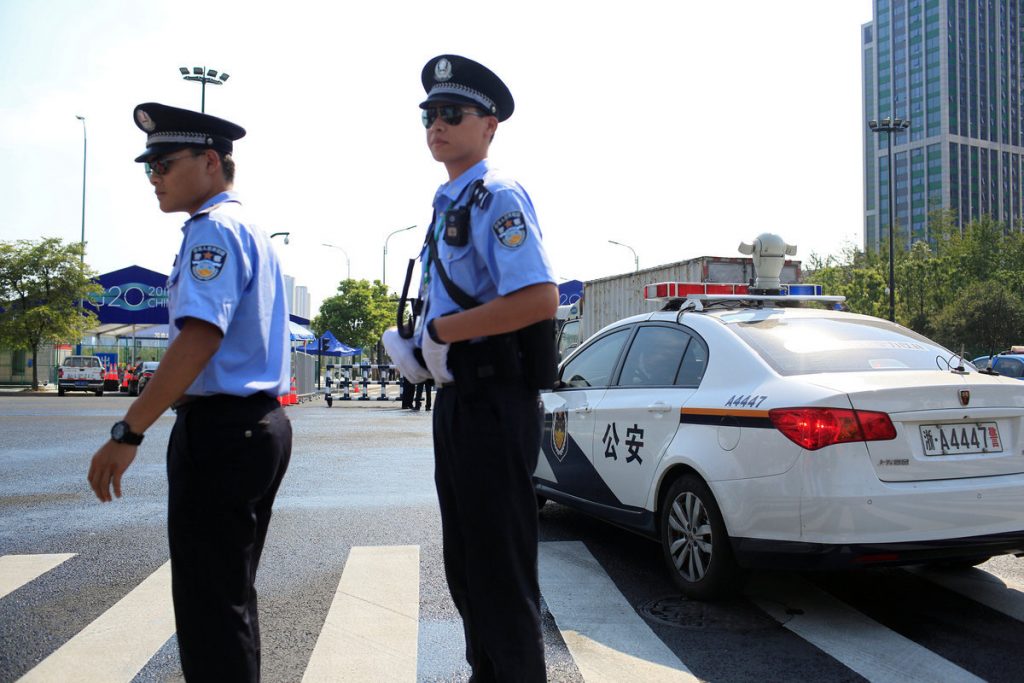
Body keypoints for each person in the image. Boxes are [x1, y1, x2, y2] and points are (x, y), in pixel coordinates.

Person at [87, 102, 292, 683]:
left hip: (223, 430)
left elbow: (199, 335)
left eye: (163, 161)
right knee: (227, 597)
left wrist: (129, 430)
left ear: (209, 161)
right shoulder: (244, 228)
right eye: (146, 164)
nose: (153, 174)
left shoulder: (215, 231)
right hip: (255, 424)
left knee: (209, 607)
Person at [383, 54, 557, 681]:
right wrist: (421, 349)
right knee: (466, 566)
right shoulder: (446, 199)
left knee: (499, 570)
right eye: (429, 114)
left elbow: (540, 298)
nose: (437, 124)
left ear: (489, 126)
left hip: (494, 398)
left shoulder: (497, 195)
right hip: (458, 400)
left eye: (452, 114)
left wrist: (438, 332)